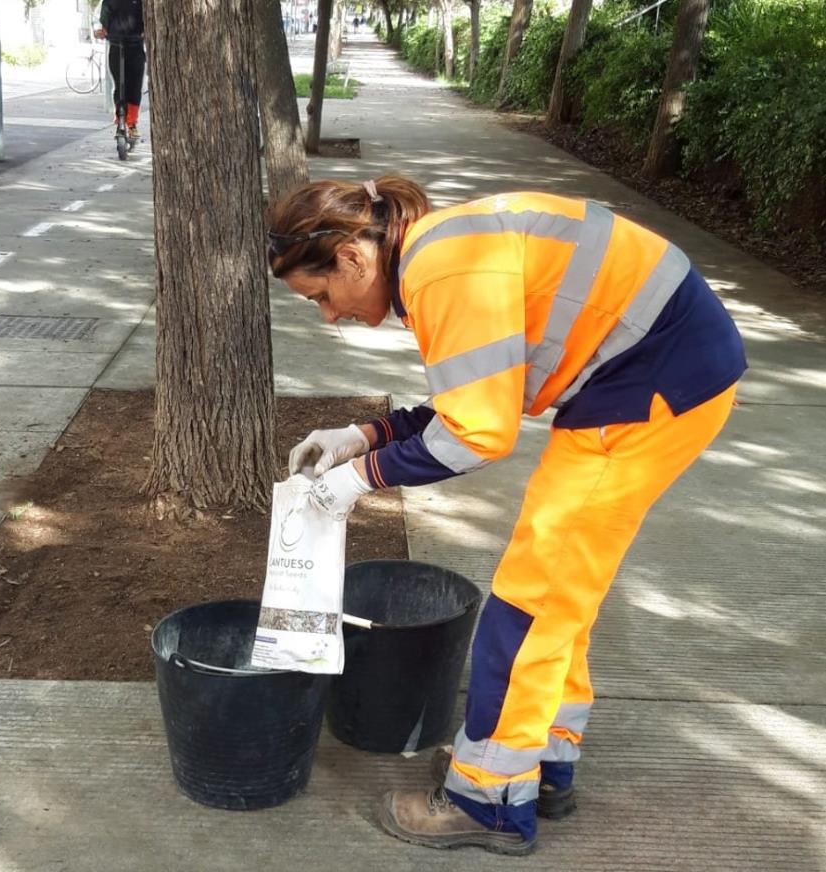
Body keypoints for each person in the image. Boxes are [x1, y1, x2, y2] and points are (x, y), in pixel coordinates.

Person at [269, 176, 746, 857]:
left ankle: (486, 799)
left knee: (529, 605)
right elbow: (483, 394)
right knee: (559, 594)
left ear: (350, 256)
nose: (327, 315)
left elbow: (475, 436)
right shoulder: (438, 251)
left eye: (319, 296)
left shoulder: (442, 269)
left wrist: (357, 479)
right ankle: (539, 764)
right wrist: (368, 436)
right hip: (658, 375)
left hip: (649, 391)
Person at [94, 0, 146, 137]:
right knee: (120, 86)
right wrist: (99, 31)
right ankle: (120, 120)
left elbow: (147, 21)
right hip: (116, 47)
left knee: (134, 86)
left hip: (135, 47)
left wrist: (145, 33)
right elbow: (102, 22)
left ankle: (132, 124)